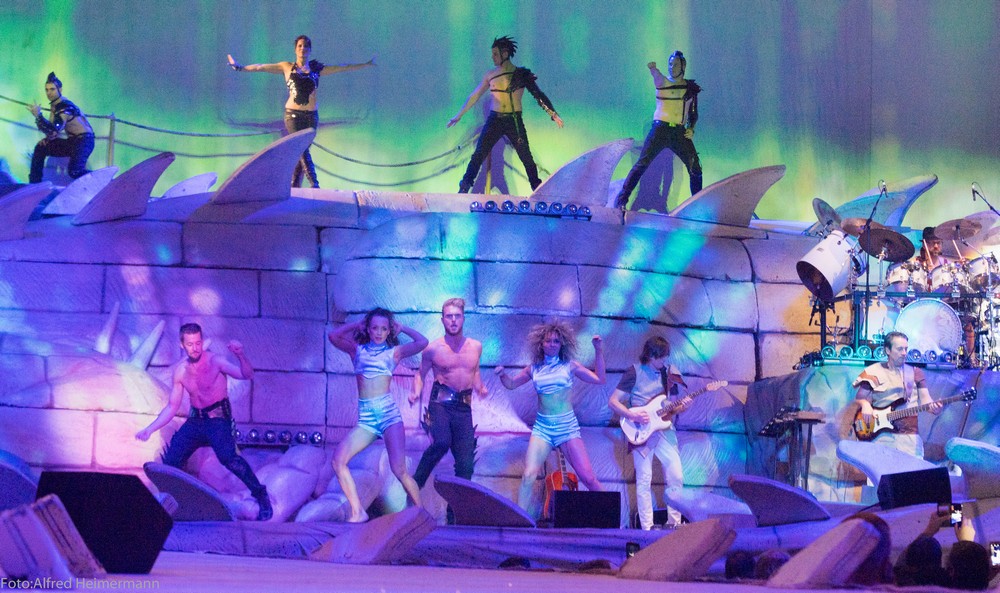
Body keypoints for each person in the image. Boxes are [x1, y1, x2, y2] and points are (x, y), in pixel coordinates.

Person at [136, 323, 272, 521]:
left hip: (218, 420)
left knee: (229, 459)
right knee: (170, 462)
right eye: (190, 344)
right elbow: (172, 407)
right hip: (196, 421)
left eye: (198, 343)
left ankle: (261, 494)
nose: (195, 348)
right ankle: (173, 504)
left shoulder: (215, 361)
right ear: (182, 345)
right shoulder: (180, 372)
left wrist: (240, 355)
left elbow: (247, 375)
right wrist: (150, 429)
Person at [227, 35, 375, 188]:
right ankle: (314, 184)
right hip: (293, 116)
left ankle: (295, 186)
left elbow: (342, 67)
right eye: (300, 46)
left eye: (306, 46)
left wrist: (365, 64)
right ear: (295, 49)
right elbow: (260, 66)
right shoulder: (286, 67)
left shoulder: (317, 69)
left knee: (301, 152)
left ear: (310, 49)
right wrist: (239, 67)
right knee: (301, 149)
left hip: (311, 116)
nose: (303, 48)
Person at [328, 308, 428, 522]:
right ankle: (358, 511)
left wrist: (403, 328)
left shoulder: (394, 353)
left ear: (389, 330)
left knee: (400, 471)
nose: (379, 332)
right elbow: (333, 336)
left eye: (384, 329)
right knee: (338, 461)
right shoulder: (358, 351)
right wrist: (356, 325)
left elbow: (422, 342)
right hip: (367, 420)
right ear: (368, 329)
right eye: (375, 328)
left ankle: (421, 514)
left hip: (389, 416)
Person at [494, 319, 605, 513]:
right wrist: (503, 374)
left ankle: (610, 516)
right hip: (543, 429)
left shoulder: (570, 366)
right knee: (528, 475)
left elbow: (600, 379)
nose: (552, 344)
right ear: (541, 343)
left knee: (588, 478)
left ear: (562, 344)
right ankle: (521, 521)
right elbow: (511, 384)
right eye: (548, 341)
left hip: (567, 428)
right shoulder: (534, 369)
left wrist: (598, 350)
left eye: (556, 341)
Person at [448, 35, 564, 194]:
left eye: (495, 54)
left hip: (514, 120)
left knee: (526, 157)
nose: (492, 57)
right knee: (478, 154)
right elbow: (475, 95)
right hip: (494, 120)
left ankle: (537, 189)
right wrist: (459, 115)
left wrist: (553, 114)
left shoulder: (521, 74)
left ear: (505, 53)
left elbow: (538, 95)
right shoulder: (490, 75)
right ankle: (464, 187)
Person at [607, 335, 690, 529]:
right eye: (662, 356)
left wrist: (684, 407)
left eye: (666, 356)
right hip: (641, 430)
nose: (665, 360)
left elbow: (672, 406)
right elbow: (613, 402)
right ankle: (647, 527)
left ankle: (674, 523)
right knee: (644, 478)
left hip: (664, 429)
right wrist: (632, 415)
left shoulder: (669, 373)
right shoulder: (634, 372)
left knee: (676, 475)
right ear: (651, 356)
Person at [410, 298, 486, 492]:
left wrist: (480, 387)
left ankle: (456, 508)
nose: (453, 320)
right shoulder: (433, 349)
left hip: (463, 407)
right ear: (442, 320)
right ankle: (415, 484)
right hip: (440, 403)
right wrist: (416, 392)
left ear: (463, 318)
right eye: (449, 316)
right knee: (442, 442)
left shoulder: (476, 346)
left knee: (466, 464)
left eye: (457, 316)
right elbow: (420, 374)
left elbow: (475, 371)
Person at [614, 51, 702, 210]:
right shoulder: (662, 81)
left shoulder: (690, 89)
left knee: (695, 167)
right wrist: (653, 69)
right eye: (670, 64)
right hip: (659, 130)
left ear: (683, 66)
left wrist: (691, 128)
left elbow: (693, 113)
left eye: (676, 64)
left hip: (679, 133)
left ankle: (698, 206)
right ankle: (621, 200)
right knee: (642, 164)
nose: (672, 67)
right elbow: (657, 76)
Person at [853, 331, 942, 457]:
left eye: (906, 349)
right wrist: (865, 405)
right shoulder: (872, 372)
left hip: (909, 439)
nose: (904, 353)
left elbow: (926, 401)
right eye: (900, 349)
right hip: (881, 437)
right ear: (887, 350)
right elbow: (859, 398)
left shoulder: (915, 372)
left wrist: (935, 408)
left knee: (912, 469)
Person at [27, 72, 95, 184]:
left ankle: (103, 180)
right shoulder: (55, 105)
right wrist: (47, 140)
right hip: (72, 141)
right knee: (41, 147)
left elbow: (54, 130)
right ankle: (34, 184)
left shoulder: (65, 107)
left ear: (60, 89)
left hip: (84, 141)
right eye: (46, 90)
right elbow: (52, 133)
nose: (49, 93)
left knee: (75, 171)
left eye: (52, 89)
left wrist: (38, 116)